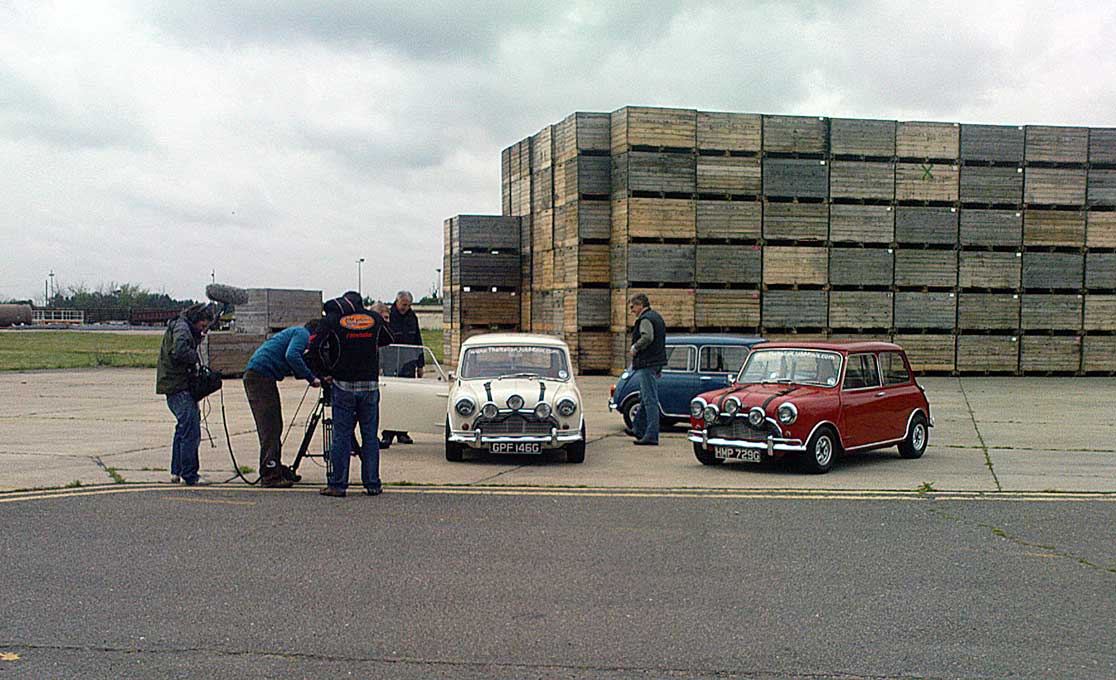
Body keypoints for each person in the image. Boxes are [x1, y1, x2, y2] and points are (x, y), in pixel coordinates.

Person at [313, 291, 394, 497]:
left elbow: (315, 348)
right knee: (370, 436)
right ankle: (372, 483)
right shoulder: (374, 319)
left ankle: (338, 485)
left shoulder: (335, 321)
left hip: (343, 385)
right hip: (369, 385)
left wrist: (326, 373)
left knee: (341, 436)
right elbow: (388, 338)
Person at [243, 321, 322, 488]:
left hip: (263, 376)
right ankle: (270, 473)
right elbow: (292, 355)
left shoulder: (295, 333)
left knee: (275, 424)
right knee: (270, 426)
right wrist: (311, 378)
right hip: (259, 377)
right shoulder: (303, 334)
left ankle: (274, 465)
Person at [155, 302, 216, 485]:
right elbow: (179, 350)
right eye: (203, 326)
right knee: (191, 429)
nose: (203, 329)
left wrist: (198, 336)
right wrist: (195, 358)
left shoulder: (182, 326)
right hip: (177, 385)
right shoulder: (182, 328)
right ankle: (190, 475)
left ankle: (177, 471)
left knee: (183, 427)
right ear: (196, 320)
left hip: (176, 383)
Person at [381, 290, 425, 447]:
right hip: (391, 363)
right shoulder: (389, 316)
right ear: (397, 302)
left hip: (408, 364)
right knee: (391, 398)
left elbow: (417, 340)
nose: (405, 308)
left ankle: (403, 432)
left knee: (406, 398)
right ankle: (387, 433)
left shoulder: (412, 318)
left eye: (408, 305)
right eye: (403, 304)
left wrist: (420, 364)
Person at [627, 293, 667, 446]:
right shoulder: (656, 317)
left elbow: (648, 337)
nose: (631, 310)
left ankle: (651, 434)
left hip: (647, 363)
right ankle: (638, 428)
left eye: (632, 307)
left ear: (640, 305)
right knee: (644, 397)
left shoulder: (645, 319)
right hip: (655, 362)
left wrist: (636, 347)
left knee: (650, 399)